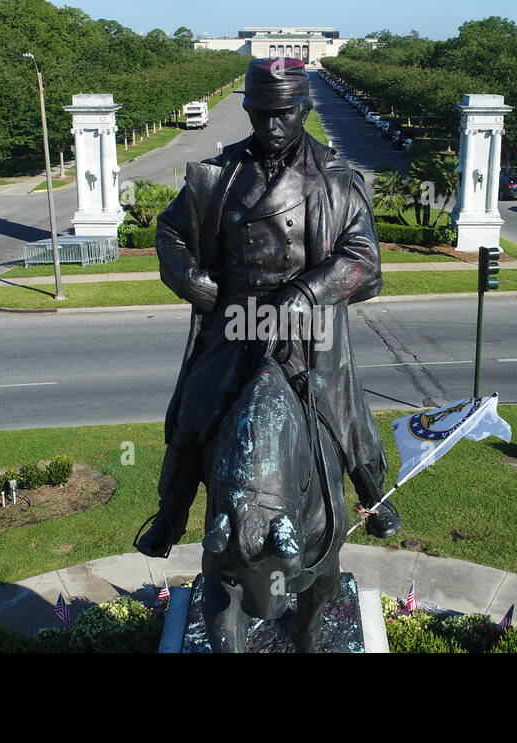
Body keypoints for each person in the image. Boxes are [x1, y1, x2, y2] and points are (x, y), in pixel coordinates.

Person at [134, 57, 401, 559]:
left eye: (283, 114)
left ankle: (371, 496)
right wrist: (191, 278)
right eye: (260, 114)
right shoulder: (219, 176)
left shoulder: (337, 180)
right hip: (236, 323)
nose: (271, 126)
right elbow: (170, 232)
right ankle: (169, 517)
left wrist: (305, 294)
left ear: (303, 109)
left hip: (309, 324)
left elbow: (365, 259)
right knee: (194, 410)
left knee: (343, 409)